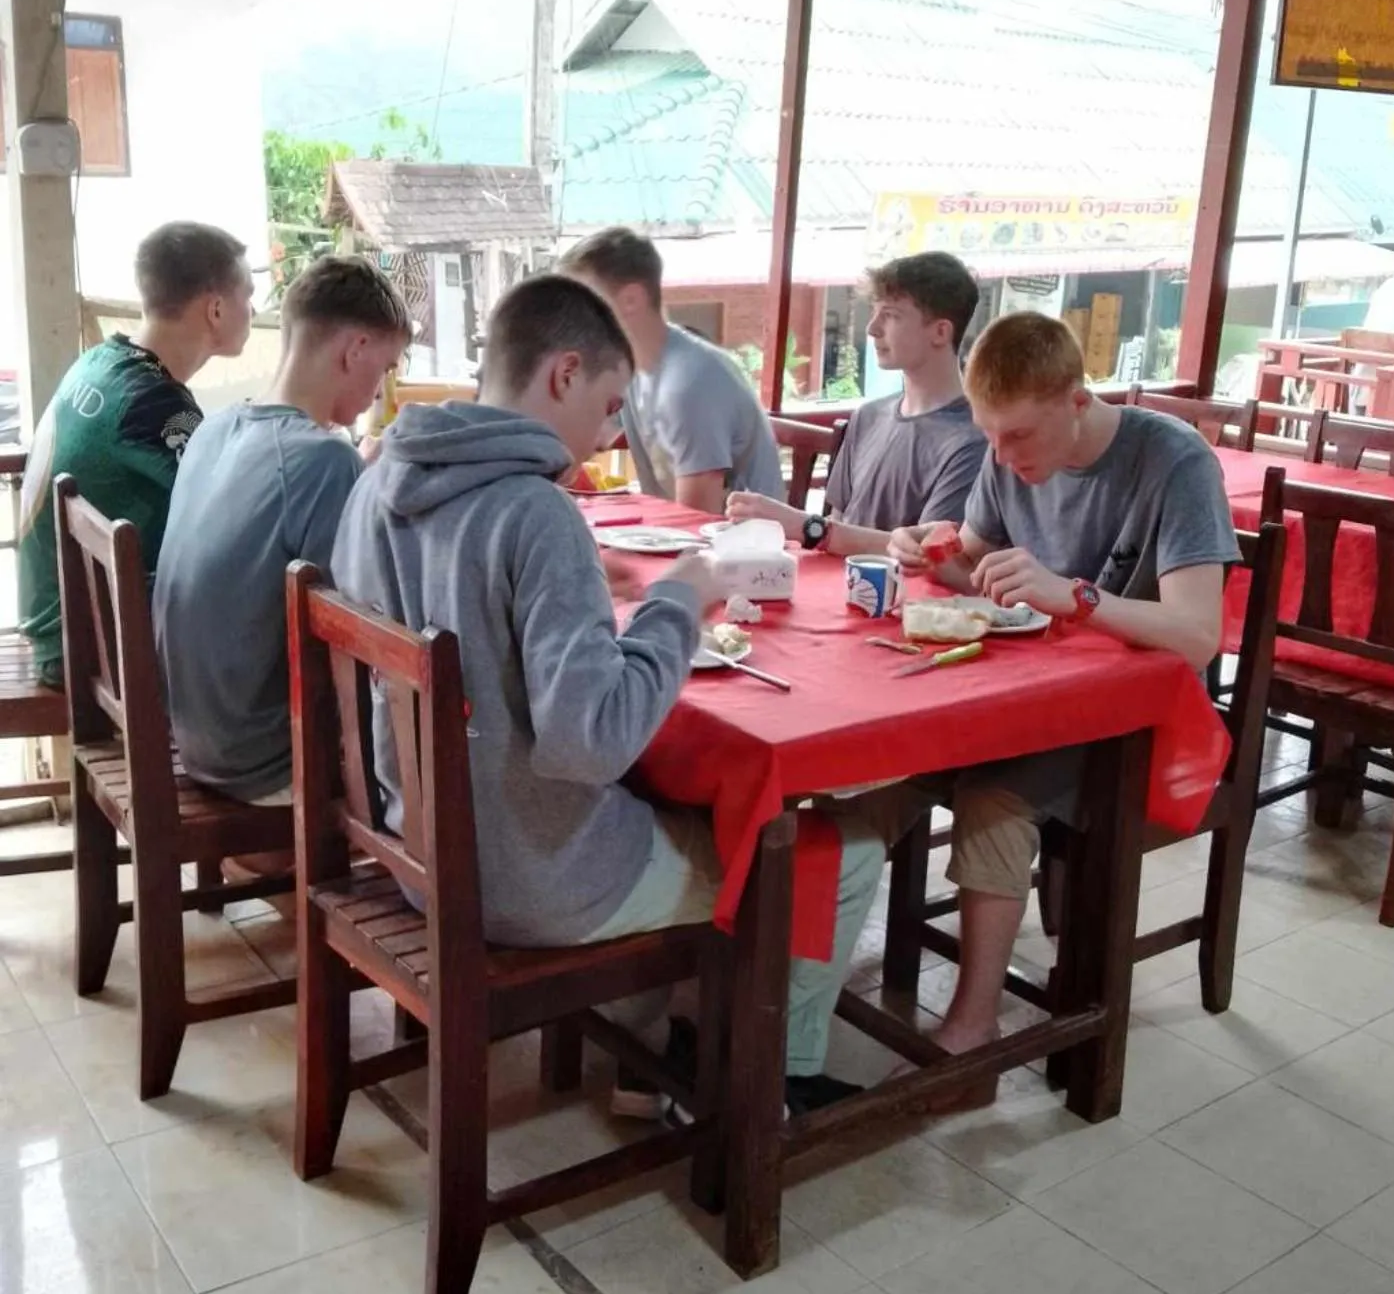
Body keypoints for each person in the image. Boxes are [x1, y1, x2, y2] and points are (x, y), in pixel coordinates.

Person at [331, 273, 884, 1113]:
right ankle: (763, 1084)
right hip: (527, 877)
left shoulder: (378, 481)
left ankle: (647, 1059)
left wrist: (594, 587)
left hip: (421, 848)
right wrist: (677, 601)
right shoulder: (534, 513)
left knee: (673, 799)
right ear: (562, 373)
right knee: (825, 853)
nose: (614, 427)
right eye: (610, 400)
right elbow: (592, 741)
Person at [879, 310, 1238, 1056]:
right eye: (990, 438)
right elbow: (972, 559)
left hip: (1136, 721)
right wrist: (925, 550)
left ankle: (972, 1030)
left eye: (1019, 438)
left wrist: (1075, 596)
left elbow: (1199, 635)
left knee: (994, 792)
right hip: (1030, 694)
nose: (1004, 458)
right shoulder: (1005, 452)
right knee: (884, 757)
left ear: (1076, 400)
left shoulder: (1174, 461)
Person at [154, 255, 412, 803]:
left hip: (194, 736)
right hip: (267, 765)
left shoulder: (215, 427)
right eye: (385, 368)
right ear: (355, 350)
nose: (379, 390)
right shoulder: (325, 461)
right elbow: (366, 626)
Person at [17, 221, 254, 686]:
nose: (253, 307)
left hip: (58, 618)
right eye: (248, 294)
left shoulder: (102, 362)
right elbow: (238, 514)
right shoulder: (154, 403)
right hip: (84, 645)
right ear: (217, 309)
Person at [725, 251, 986, 555]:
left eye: (891, 315)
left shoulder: (974, 439)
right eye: (875, 313)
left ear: (941, 331)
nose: (872, 328)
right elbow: (838, 523)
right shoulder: (868, 416)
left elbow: (930, 556)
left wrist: (807, 527)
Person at [563, 226, 784, 513]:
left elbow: (696, 519)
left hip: (744, 546)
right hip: (679, 533)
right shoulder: (631, 368)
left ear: (631, 299)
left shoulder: (691, 381)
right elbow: (586, 437)